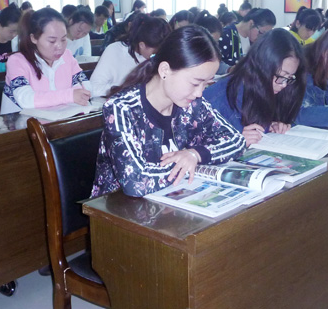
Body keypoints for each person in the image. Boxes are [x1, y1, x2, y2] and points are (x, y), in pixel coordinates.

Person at [90, 26, 246, 197]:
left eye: (206, 84)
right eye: (195, 83)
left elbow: (236, 140)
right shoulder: (122, 108)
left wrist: (195, 155)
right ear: (165, 70)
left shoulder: (193, 104)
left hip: (171, 199)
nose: (199, 93)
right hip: (118, 206)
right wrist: (188, 166)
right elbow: (135, 182)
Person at [204, 29, 306, 146]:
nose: (284, 85)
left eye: (289, 77)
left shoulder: (263, 90)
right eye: (281, 76)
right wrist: (235, 142)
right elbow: (198, 149)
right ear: (261, 67)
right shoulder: (217, 101)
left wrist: (270, 127)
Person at [0, 8, 92, 114]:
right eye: (52, 41)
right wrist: (69, 95)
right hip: (21, 123)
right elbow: (26, 100)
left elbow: (85, 86)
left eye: (63, 39)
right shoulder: (17, 61)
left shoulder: (67, 56)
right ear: (34, 38)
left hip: (57, 120)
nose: (59, 46)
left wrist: (81, 92)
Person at [91, 14, 171, 97]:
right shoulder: (115, 50)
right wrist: (126, 90)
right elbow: (94, 88)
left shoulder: (160, 57)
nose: (158, 56)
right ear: (142, 45)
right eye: (154, 53)